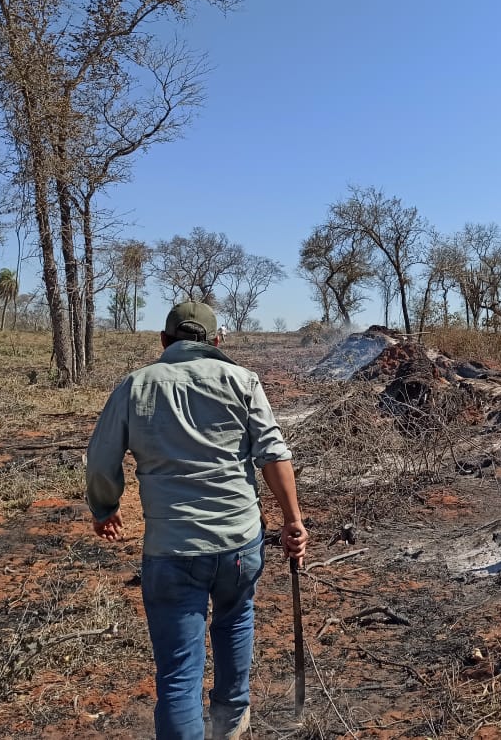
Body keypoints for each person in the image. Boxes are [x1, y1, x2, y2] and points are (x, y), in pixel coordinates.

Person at [86, 300, 308, 740]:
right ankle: (230, 726)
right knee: (236, 619)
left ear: (164, 341)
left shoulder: (136, 386)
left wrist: (104, 507)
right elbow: (273, 452)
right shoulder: (243, 381)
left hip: (172, 551)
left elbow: (100, 459)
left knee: (178, 674)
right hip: (239, 546)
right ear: (217, 341)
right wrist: (293, 521)